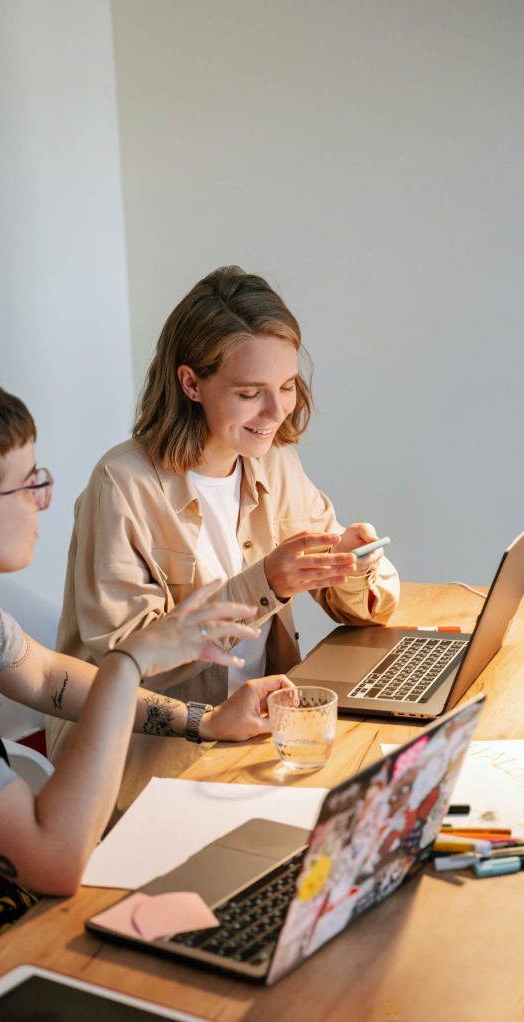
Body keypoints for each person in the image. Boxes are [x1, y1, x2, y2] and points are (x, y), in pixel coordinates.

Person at [0, 367, 292, 1022]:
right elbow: (54, 860)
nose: (44, 500)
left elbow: (47, 678)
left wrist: (202, 722)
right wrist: (130, 659)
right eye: (29, 485)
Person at [46, 266, 400, 810]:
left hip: (256, 745)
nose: (277, 411)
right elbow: (130, 662)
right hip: (148, 771)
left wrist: (354, 566)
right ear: (190, 383)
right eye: (249, 393)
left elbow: (359, 609)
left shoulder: (275, 461)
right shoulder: (122, 485)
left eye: (285, 387)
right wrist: (266, 584)